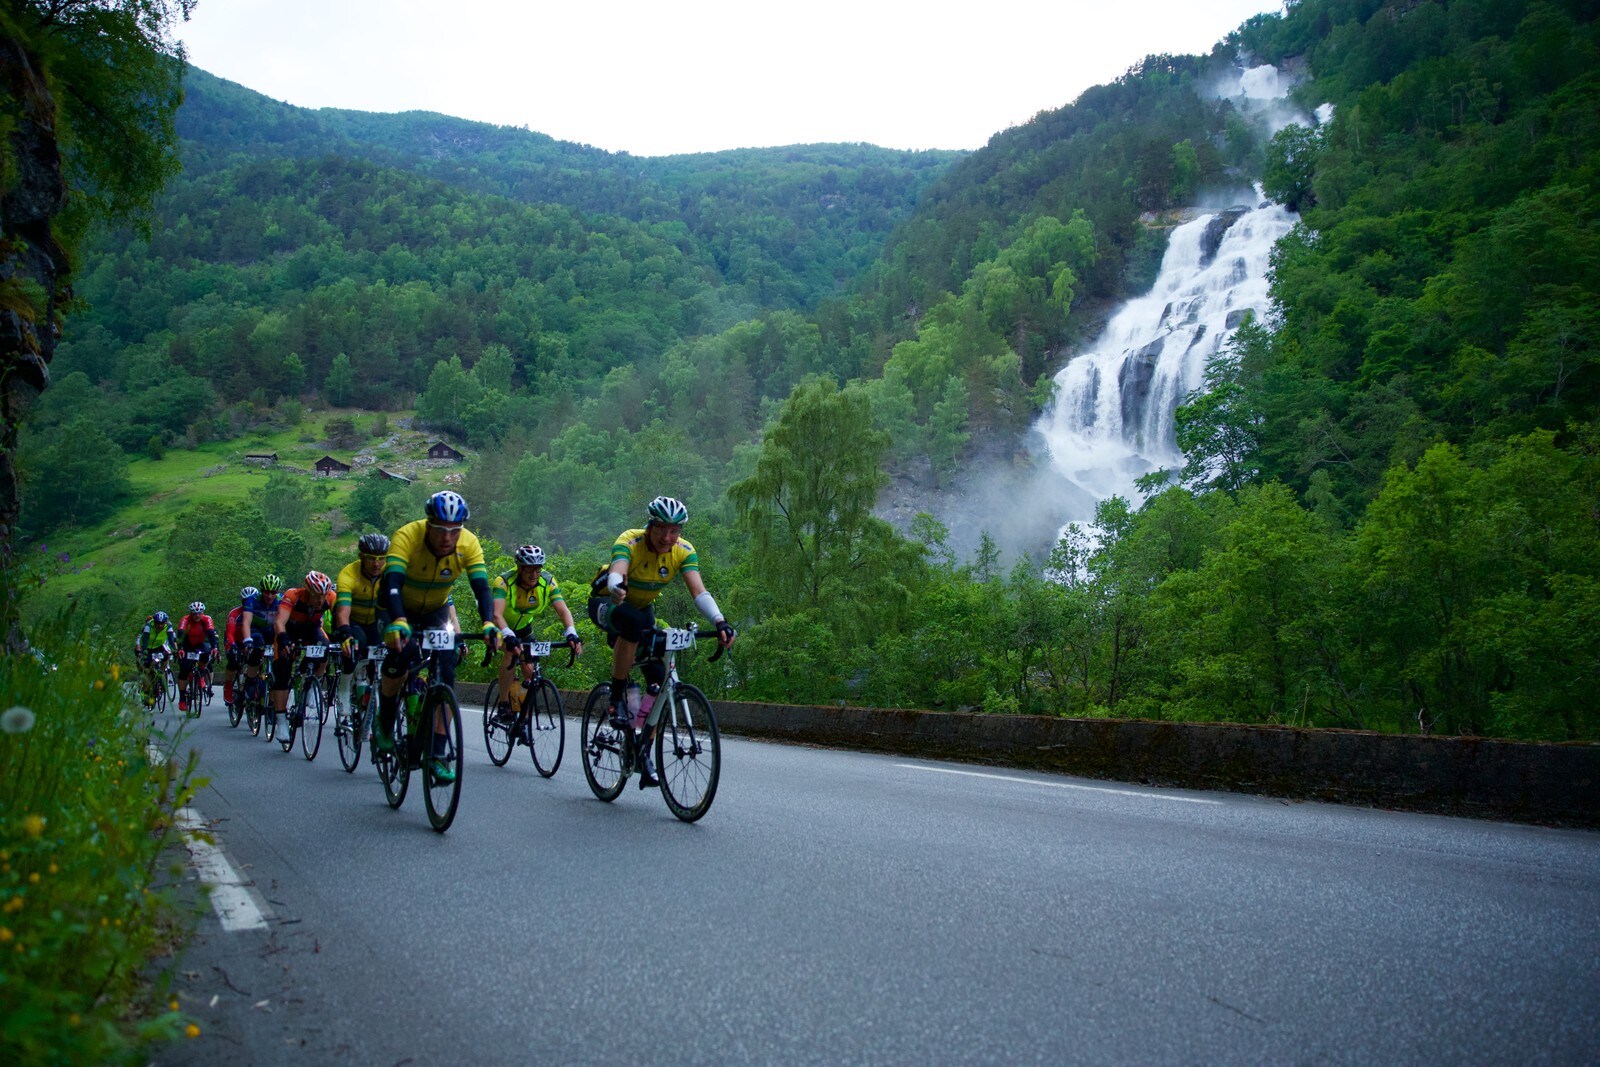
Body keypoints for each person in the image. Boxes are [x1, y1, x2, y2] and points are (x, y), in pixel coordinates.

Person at [588, 495, 734, 788]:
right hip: (610, 605)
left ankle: (642, 750)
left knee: (658, 679)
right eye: (661, 529)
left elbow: (699, 592)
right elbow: (617, 572)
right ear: (649, 526)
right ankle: (617, 695)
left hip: (643, 610)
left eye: (674, 530)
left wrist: (720, 621)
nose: (667, 537)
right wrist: (616, 588)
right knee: (631, 623)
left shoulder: (683, 551)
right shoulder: (630, 540)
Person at [376, 491, 499, 783]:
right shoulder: (407, 535)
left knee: (446, 673)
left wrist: (487, 623)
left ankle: (439, 753)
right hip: (397, 605)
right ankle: (385, 722)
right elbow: (392, 581)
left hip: (436, 609)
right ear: (428, 524)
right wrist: (399, 620)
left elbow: (481, 588)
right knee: (400, 657)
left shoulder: (468, 543)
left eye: (454, 531)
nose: (448, 537)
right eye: (441, 530)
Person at [489, 544, 582, 724]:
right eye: (529, 570)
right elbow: (496, 614)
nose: (534, 575)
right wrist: (508, 635)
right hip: (500, 627)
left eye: (538, 569)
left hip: (524, 629)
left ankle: (523, 717)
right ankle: (503, 704)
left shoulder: (548, 581)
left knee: (531, 673)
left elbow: (563, 611)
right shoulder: (504, 581)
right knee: (510, 653)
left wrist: (571, 632)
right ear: (520, 568)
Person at [331, 533, 390, 721]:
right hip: (352, 620)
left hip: (376, 621)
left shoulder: (390, 573)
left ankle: (371, 701)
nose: (376, 564)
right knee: (356, 646)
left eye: (381, 559)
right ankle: (345, 686)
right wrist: (346, 635)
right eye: (372, 558)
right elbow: (342, 612)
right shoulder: (348, 574)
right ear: (361, 556)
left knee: (382, 658)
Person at [270, 571, 335, 729]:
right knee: (283, 671)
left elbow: (341, 619)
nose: (320, 600)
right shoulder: (293, 595)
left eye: (323, 595)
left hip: (311, 629)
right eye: (316, 595)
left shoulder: (331, 597)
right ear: (307, 591)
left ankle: (313, 684)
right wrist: (284, 640)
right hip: (289, 630)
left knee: (325, 648)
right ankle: (281, 720)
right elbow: (279, 622)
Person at [238, 574, 284, 707]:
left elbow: (285, 623)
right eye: (266, 592)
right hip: (256, 630)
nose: (269, 596)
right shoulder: (252, 600)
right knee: (257, 647)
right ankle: (251, 681)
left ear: (277, 592)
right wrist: (247, 640)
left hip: (272, 631)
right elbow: (246, 622)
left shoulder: (281, 601)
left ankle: (272, 704)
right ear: (261, 590)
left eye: (273, 592)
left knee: (279, 663)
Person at [174, 601, 218, 714]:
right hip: (187, 644)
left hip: (200, 643)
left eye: (199, 613)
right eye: (194, 613)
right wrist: (181, 648)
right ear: (191, 613)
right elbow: (180, 634)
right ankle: (182, 698)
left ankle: (201, 674)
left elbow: (211, 634)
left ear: (203, 612)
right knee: (185, 668)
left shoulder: (207, 619)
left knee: (206, 652)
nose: (197, 616)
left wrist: (214, 648)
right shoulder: (185, 619)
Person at [221, 587, 254, 711]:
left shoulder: (258, 612)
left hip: (251, 642)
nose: (248, 603)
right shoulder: (235, 613)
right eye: (245, 601)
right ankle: (228, 686)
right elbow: (230, 632)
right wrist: (233, 645)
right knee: (234, 662)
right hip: (234, 641)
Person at [134, 610, 175, 707]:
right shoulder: (147, 627)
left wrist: (175, 649)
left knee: (167, 657)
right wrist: (142, 650)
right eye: (158, 623)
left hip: (159, 646)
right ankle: (146, 690)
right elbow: (143, 639)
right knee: (147, 669)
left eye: (162, 623)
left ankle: (162, 673)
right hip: (147, 647)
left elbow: (171, 639)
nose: (160, 626)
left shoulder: (168, 626)